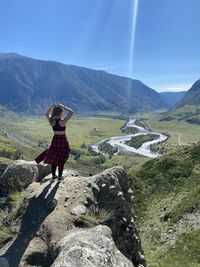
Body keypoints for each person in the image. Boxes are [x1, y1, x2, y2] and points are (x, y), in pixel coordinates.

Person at [35, 103, 73, 181]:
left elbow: (46, 113)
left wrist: (52, 107)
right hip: (62, 140)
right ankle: (59, 177)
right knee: (61, 158)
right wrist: (62, 106)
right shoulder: (63, 121)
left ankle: (53, 176)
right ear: (61, 112)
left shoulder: (52, 121)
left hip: (55, 140)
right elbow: (71, 112)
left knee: (54, 158)